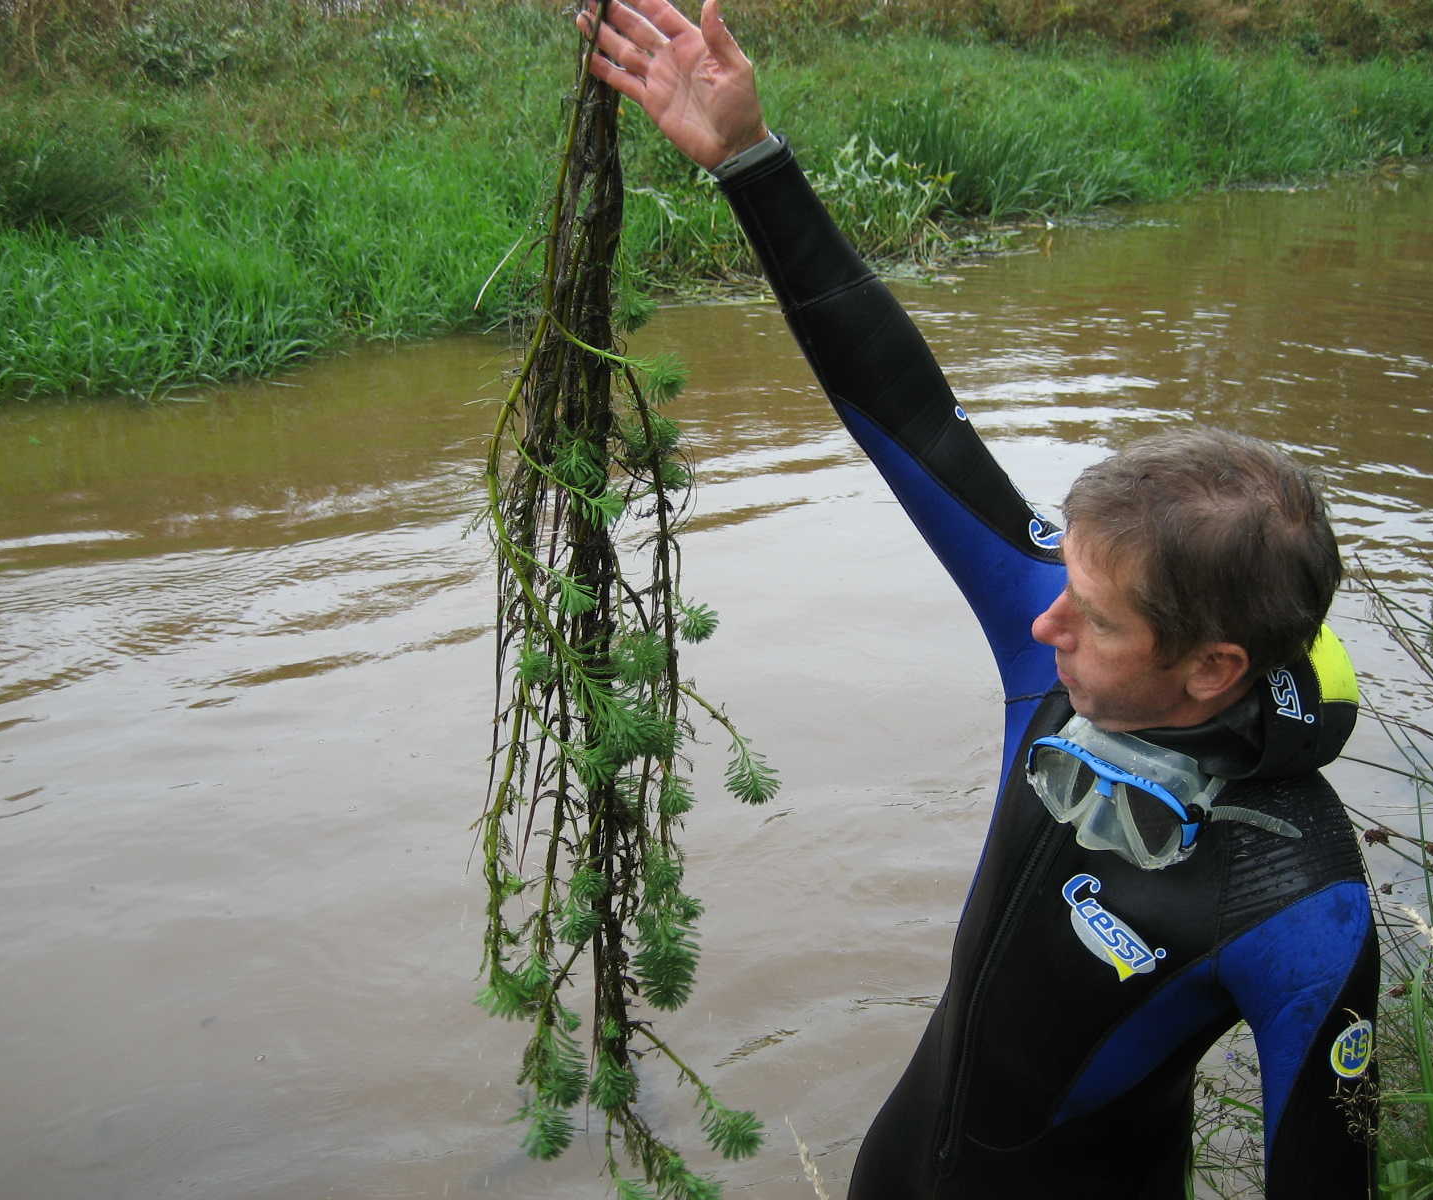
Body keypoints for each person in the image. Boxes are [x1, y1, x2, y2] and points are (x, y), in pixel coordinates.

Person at [577, 2, 1381, 1196]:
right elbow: (907, 406)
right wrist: (749, 160)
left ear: (1212, 666)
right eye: (1062, 589)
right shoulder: (1056, 635)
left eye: (1094, 618)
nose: (1042, 621)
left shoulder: (1297, 900)